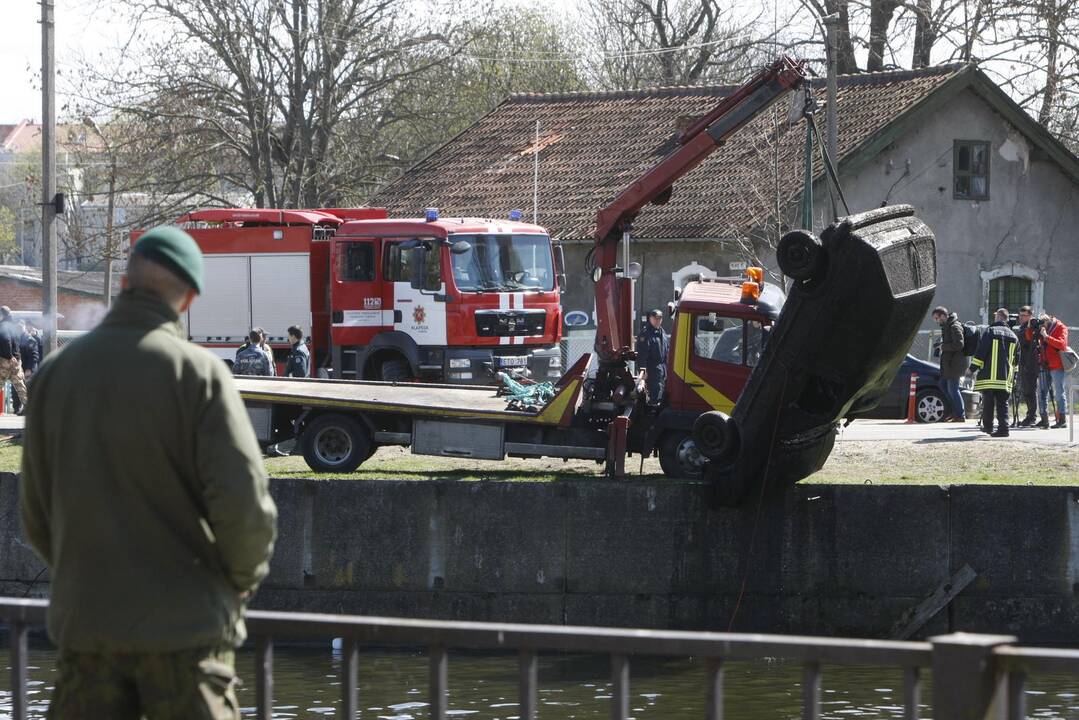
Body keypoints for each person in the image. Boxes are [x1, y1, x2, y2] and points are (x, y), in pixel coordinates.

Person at [19, 225, 277, 720]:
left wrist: (88, 577)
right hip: (185, 639)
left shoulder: (55, 375)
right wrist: (239, 580)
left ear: (123, 285)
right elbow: (244, 508)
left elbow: (35, 514)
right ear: (189, 299)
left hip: (88, 636)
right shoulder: (197, 375)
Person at [970, 308, 1018, 437]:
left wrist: (972, 368)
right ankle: (1004, 429)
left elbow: (981, 352)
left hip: (989, 376)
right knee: (1003, 403)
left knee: (988, 403)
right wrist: (1014, 377)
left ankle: (988, 427)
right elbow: (1016, 360)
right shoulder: (1014, 336)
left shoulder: (990, 331)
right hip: (1005, 377)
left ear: (998, 317)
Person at [1030, 311, 1070, 429]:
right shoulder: (1042, 328)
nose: (1042, 327)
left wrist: (1046, 337)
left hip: (1057, 365)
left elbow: (1062, 345)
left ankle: (1061, 420)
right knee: (1041, 392)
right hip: (1044, 364)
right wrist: (1030, 327)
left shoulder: (1061, 327)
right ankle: (1044, 419)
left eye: (1043, 324)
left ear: (1048, 321)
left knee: (1059, 393)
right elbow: (1029, 337)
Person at [931, 306, 967, 422]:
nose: (936, 321)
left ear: (943, 316)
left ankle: (960, 415)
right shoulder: (947, 326)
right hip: (948, 365)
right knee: (943, 385)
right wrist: (941, 345)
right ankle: (955, 412)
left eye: (937, 318)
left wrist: (943, 346)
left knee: (953, 390)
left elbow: (959, 344)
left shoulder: (955, 326)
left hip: (954, 365)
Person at [637, 309, 669, 406]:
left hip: (663, 368)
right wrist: (643, 371)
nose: (658, 320)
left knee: (662, 394)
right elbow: (642, 355)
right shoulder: (645, 334)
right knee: (654, 395)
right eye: (655, 318)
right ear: (650, 319)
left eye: (659, 318)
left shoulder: (662, 332)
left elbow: (666, 351)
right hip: (652, 369)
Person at [1015, 306, 1040, 426]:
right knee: (1026, 391)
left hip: (1031, 363)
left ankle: (1032, 417)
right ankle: (1030, 415)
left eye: (1023, 316)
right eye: (1020, 315)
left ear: (1030, 316)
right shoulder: (1022, 328)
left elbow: (1027, 342)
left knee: (1030, 390)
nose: (1021, 318)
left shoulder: (1033, 328)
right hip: (1023, 362)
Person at [0, 306, 28, 415]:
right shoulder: (15, 327)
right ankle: (30, 408)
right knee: (21, 386)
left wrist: (9, 355)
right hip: (17, 361)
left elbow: (6, 339)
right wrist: (15, 357)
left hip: (5, 361)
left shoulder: (3, 326)